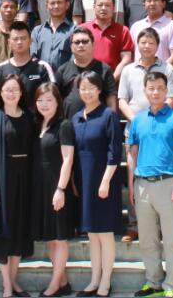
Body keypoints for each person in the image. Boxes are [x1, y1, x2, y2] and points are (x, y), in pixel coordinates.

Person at [127, 71, 173, 298]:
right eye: (151, 88)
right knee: (147, 239)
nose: (156, 92)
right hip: (143, 184)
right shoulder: (138, 120)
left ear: (167, 91)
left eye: (160, 88)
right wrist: (132, 185)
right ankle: (153, 282)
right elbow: (132, 153)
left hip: (168, 183)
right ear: (145, 91)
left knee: (171, 239)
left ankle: (171, 286)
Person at [116, 27, 173, 242]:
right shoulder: (128, 70)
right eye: (143, 42)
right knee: (135, 178)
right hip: (135, 131)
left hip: (162, 131)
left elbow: (171, 98)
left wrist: (154, 120)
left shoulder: (167, 68)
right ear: (137, 44)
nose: (147, 46)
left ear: (157, 45)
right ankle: (134, 225)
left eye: (151, 42)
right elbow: (122, 101)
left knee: (161, 177)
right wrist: (138, 122)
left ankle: (160, 225)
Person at [71, 71, 123, 298]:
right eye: (83, 88)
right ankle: (94, 280)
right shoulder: (76, 118)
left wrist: (105, 181)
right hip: (84, 181)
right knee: (92, 234)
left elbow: (115, 151)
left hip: (104, 182)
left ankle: (106, 282)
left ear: (99, 90)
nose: (87, 92)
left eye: (91, 87)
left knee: (105, 233)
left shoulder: (108, 115)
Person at [0, 74, 37, 298]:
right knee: (4, 231)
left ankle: (14, 281)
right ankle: (7, 286)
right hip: (2, 179)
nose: (11, 93)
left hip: (25, 178)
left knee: (19, 230)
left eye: (15, 89)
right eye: (7, 89)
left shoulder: (29, 117)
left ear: (22, 92)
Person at [32, 84, 76, 298]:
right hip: (40, 187)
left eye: (49, 99)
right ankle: (63, 282)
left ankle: (54, 285)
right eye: (40, 100)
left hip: (57, 186)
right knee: (50, 237)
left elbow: (68, 159)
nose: (44, 104)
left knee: (60, 238)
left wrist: (60, 189)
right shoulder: (38, 125)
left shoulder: (64, 125)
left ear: (58, 102)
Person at [55, 26, 117, 119]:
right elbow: (55, 99)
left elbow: (111, 100)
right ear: (71, 47)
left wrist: (111, 121)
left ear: (93, 45)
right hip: (69, 123)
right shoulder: (62, 70)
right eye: (77, 42)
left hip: (97, 123)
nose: (81, 45)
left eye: (85, 41)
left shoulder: (105, 69)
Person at [0, 21, 55, 109]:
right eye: (15, 39)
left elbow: (52, 97)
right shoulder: (0, 69)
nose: (19, 42)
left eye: (23, 38)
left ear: (31, 41)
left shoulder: (43, 67)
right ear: (9, 43)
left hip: (34, 117)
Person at [83, 0, 135, 80]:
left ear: (113, 8)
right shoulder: (83, 29)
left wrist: (111, 81)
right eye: (100, 5)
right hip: (87, 82)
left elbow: (126, 59)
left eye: (107, 5)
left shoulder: (123, 31)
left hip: (113, 82)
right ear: (94, 7)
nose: (103, 8)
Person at [128, 0, 173, 65]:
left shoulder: (172, 26)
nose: (152, 3)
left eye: (156, 0)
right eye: (149, 1)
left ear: (163, 4)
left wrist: (161, 70)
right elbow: (130, 54)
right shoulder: (136, 26)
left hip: (162, 71)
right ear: (144, 4)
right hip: (138, 71)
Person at [32, 0, 76, 70]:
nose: (56, 6)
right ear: (47, 6)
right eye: (52, 3)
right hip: (41, 76)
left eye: (59, 3)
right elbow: (33, 56)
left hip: (65, 76)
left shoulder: (74, 30)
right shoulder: (37, 31)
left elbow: (75, 57)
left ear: (67, 5)